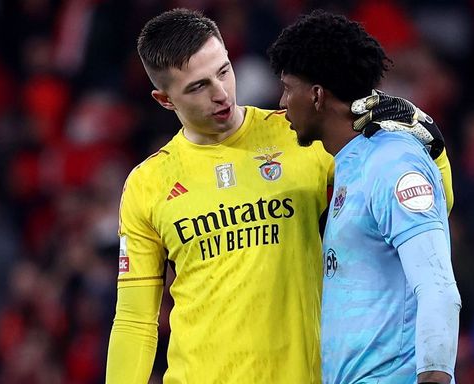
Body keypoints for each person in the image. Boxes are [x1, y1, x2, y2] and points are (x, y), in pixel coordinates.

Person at [106, 8, 453, 384]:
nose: (220, 93)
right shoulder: (148, 184)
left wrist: (434, 148)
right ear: (164, 99)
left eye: (223, 71)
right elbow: (135, 321)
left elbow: (427, 208)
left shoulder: (301, 136)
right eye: (197, 86)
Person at [267, 10, 461, 384]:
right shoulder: (350, 164)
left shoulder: (392, 161)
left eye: (288, 88)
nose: (282, 102)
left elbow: (438, 288)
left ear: (317, 95)